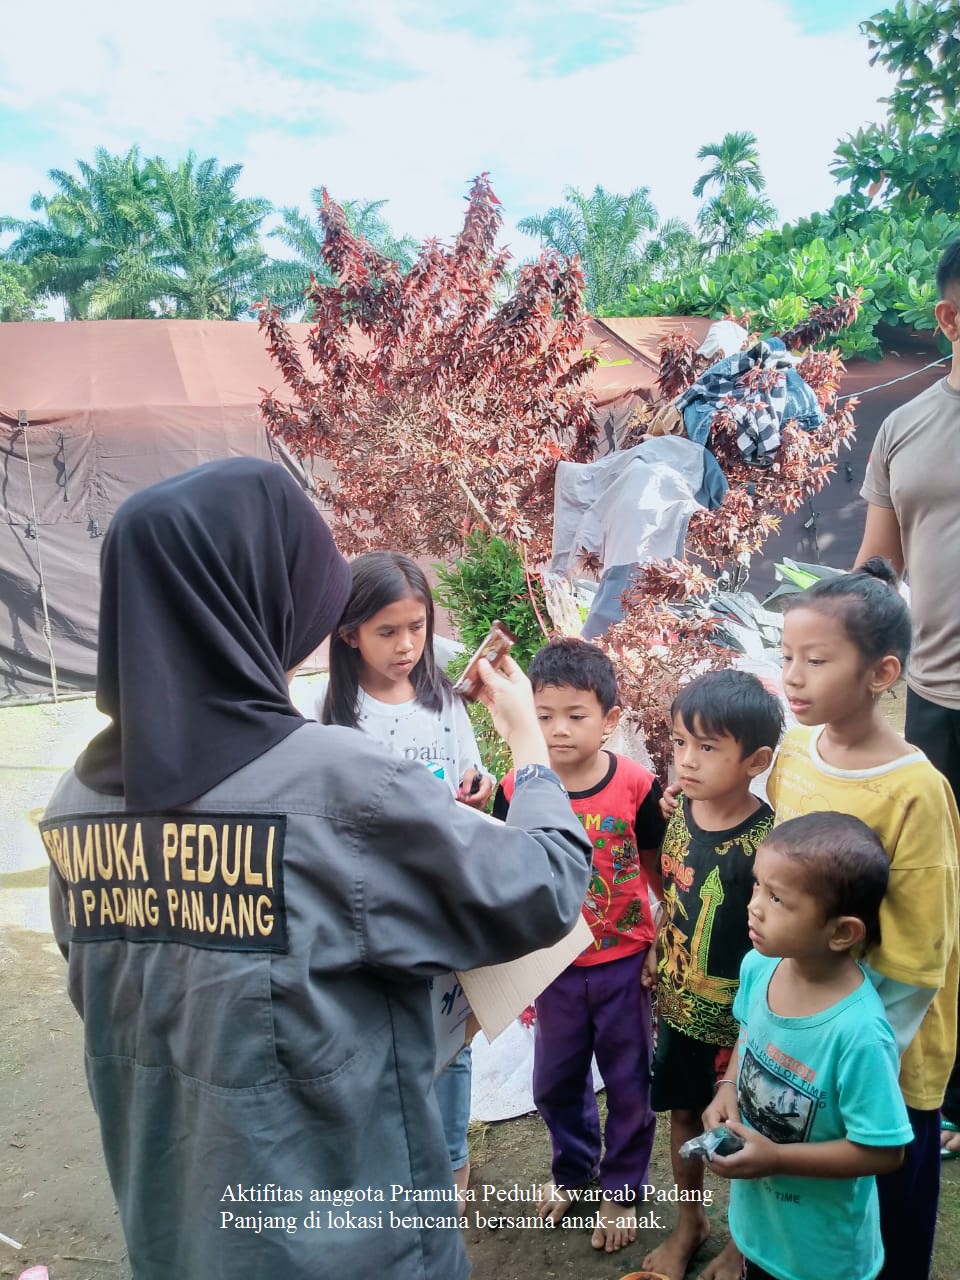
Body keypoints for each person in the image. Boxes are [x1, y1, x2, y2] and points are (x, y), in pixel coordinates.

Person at [39, 458, 594, 1280]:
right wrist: (532, 749)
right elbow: (547, 884)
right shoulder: (342, 786)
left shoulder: (73, 808)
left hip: (176, 1233)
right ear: (260, 594)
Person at [767, 558, 960, 1280]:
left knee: (886, 1215)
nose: (792, 676)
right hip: (802, 1026)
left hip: (885, 1049)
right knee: (812, 1206)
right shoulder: (793, 751)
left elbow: (919, 956)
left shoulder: (915, 790)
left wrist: (847, 1050)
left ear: (882, 674)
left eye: (816, 660)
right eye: (786, 656)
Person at [319, 550, 491, 1201]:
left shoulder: (443, 705)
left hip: (439, 904)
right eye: (388, 631)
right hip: (360, 913)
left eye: (417, 627)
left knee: (450, 1039)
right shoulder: (324, 711)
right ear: (348, 631)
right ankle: (382, 1164)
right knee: (370, 1037)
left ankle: (452, 1172)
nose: (407, 645)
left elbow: (471, 776)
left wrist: (478, 792)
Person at [492, 637, 665, 1254]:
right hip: (553, 967)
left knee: (629, 1083)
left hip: (623, 964)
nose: (558, 731)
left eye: (575, 715)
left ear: (610, 720)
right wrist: (515, 971)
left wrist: (657, 941)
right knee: (553, 1080)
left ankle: (623, 1188)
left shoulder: (638, 787)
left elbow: (655, 870)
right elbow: (508, 876)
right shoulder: (515, 789)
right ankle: (574, 1168)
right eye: (542, 716)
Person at [702, 812, 913, 1280]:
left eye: (778, 898)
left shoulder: (858, 1033)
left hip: (824, 1255)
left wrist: (776, 1158)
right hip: (760, 1230)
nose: (754, 905)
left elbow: (884, 1151)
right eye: (758, 886)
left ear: (841, 932)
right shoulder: (760, 966)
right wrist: (727, 1085)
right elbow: (748, 1033)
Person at [855, 236, 960, 1159]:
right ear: (950, 319)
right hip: (939, 695)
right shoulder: (905, 427)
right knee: (937, 902)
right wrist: (833, 656)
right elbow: (875, 572)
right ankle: (948, 1086)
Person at [640, 668, 784, 1280]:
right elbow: (674, 890)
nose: (686, 762)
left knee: (746, 1130)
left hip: (743, 1020)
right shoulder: (679, 812)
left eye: (706, 747)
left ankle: (743, 1243)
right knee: (680, 1114)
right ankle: (690, 1221)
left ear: (755, 761)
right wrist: (655, 946)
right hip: (677, 1002)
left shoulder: (771, 844)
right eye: (678, 744)